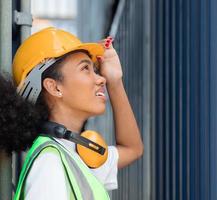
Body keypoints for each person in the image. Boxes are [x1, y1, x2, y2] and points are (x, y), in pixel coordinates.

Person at [9, 27, 143, 199]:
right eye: (85, 69)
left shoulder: (74, 153)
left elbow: (132, 149)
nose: (101, 78)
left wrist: (115, 81)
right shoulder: (49, 164)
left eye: (94, 69)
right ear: (54, 87)